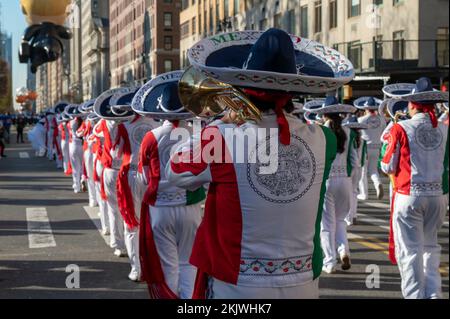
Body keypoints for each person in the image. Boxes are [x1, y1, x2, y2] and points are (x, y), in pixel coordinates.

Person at [167, 28, 354, 299]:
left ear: (243, 88)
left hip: (238, 285)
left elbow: (176, 170)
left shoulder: (222, 136)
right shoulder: (324, 138)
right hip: (303, 284)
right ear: (293, 88)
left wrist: (219, 121)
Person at [132, 72, 204, 297]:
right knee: (189, 264)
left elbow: (143, 178)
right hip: (191, 207)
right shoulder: (199, 134)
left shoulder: (151, 137)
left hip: (160, 208)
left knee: (168, 267)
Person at [381, 77, 449, 299]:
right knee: (431, 247)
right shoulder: (444, 129)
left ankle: (414, 296)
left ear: (412, 104)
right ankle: (433, 294)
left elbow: (387, 165)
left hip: (409, 195)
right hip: (437, 196)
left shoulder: (401, 127)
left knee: (410, 251)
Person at [108, 89, 160, 282]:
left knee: (132, 224)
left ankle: (137, 269)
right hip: (155, 177)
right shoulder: (157, 123)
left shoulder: (124, 126)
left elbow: (116, 155)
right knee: (154, 224)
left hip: (132, 175)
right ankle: (154, 267)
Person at [304, 97, 358, 273]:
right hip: (345, 180)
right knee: (341, 220)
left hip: (327, 181)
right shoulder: (348, 131)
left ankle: (330, 262)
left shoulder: (319, 130)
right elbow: (354, 161)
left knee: (326, 225)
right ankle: (344, 252)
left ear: (325, 113)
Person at [94, 88, 134, 258]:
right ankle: (128, 243)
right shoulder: (132, 122)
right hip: (126, 170)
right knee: (129, 209)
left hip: (111, 169)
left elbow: (94, 135)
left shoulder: (104, 122)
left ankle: (118, 244)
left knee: (113, 208)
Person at [355, 97, 386, 200]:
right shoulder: (382, 120)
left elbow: (357, 134)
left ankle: (364, 194)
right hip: (377, 146)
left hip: (365, 147)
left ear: (366, 108)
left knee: (363, 171)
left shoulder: (360, 120)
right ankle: (378, 184)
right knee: (373, 170)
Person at [342, 116, 369, 226]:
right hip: (359, 168)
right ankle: (354, 215)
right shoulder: (362, 139)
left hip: (349, 168)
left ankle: (348, 218)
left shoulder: (348, 136)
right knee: (354, 192)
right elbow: (365, 156)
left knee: (348, 193)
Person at [64, 105, 86, 194]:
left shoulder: (70, 122)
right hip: (82, 145)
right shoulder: (83, 122)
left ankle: (76, 186)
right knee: (83, 166)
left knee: (75, 167)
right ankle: (83, 179)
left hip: (73, 144)